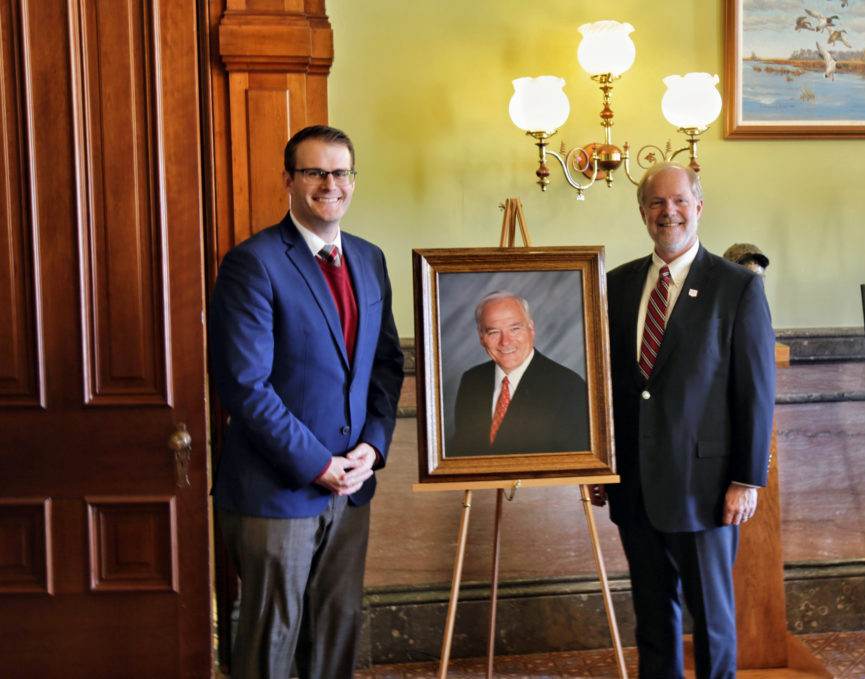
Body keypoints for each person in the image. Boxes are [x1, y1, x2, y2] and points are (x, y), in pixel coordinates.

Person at [209, 125, 405, 679]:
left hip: (353, 486)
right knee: (270, 647)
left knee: (333, 638)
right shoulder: (255, 262)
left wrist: (373, 443)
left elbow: (386, 364)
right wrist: (319, 465)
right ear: (289, 181)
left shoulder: (369, 260)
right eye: (315, 172)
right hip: (277, 490)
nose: (330, 184)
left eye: (340, 172)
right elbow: (246, 386)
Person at [592, 162, 776, 679]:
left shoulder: (737, 287)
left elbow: (756, 393)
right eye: (655, 203)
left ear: (698, 207)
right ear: (642, 213)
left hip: (709, 490)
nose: (666, 212)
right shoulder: (616, 285)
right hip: (634, 487)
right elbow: (608, 385)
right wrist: (599, 465)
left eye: (677, 202)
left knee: (713, 623)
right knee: (652, 619)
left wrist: (746, 480)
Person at [448, 290, 590, 457]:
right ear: (481, 336)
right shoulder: (471, 381)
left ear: (531, 328)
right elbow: (460, 454)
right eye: (493, 332)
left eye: (514, 329)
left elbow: (576, 469)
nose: (505, 342)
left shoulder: (570, 387)